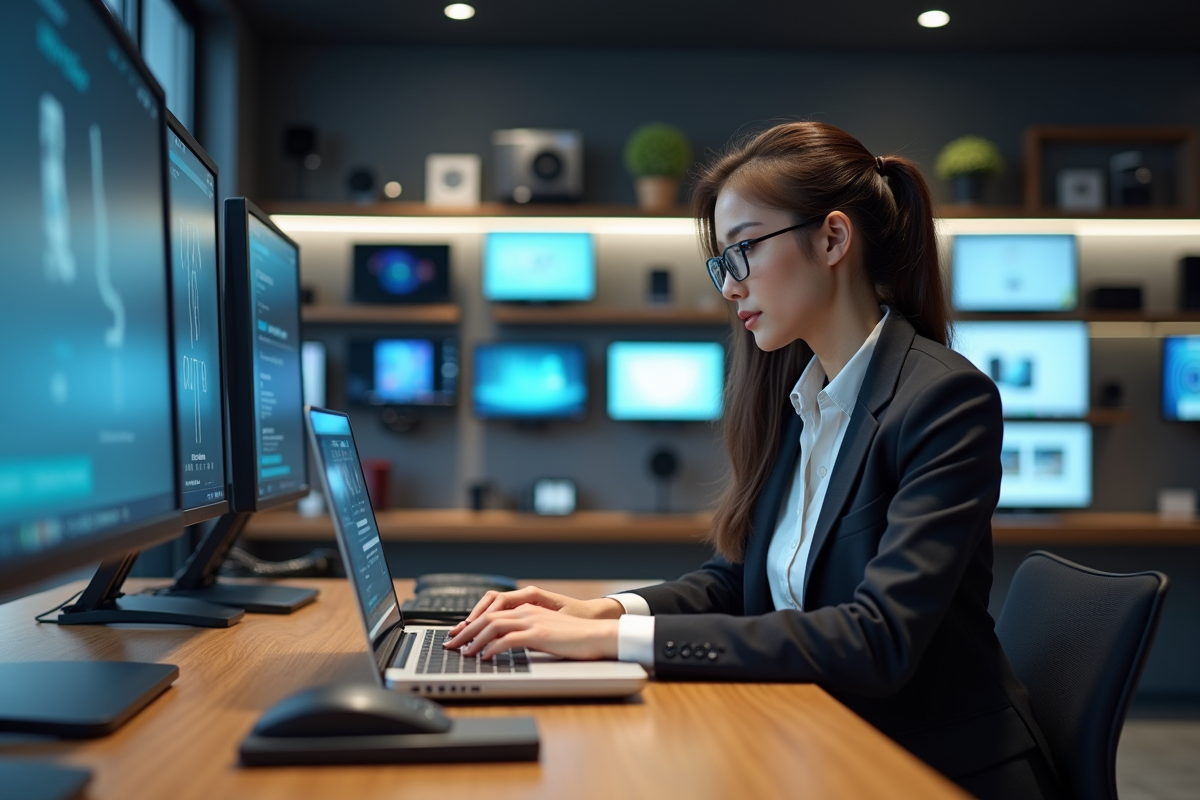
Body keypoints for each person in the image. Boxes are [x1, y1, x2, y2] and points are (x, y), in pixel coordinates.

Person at [444, 121, 1061, 799]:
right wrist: (603, 614)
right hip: (818, 738)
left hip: (930, 768)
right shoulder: (800, 398)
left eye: (742, 250)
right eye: (722, 264)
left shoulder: (944, 398)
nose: (730, 286)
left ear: (832, 239)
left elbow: (877, 641)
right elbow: (737, 585)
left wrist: (615, 647)